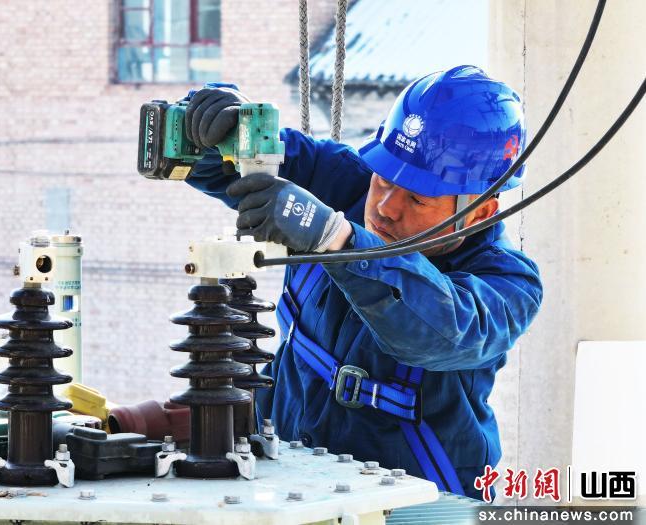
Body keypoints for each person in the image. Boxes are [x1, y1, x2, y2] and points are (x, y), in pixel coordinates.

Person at [184, 65, 543, 500]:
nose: (386, 208)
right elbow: (224, 164)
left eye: (417, 198)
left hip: (417, 502)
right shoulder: (339, 181)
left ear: (479, 212)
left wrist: (334, 237)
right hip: (288, 476)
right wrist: (211, 125)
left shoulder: (508, 283)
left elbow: (443, 331)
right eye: (383, 179)